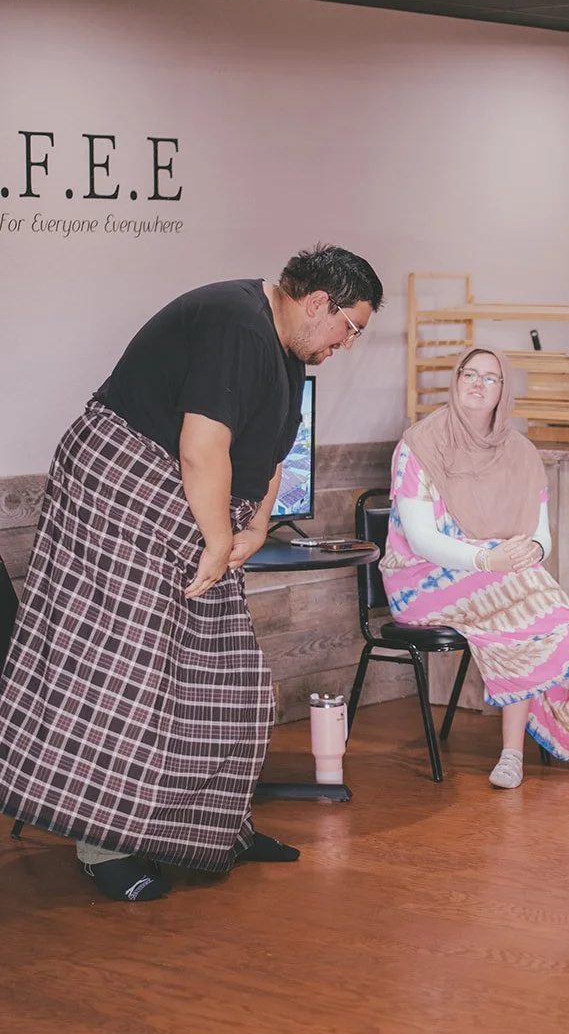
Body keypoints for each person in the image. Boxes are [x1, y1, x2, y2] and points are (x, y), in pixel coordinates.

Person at [0, 244, 383, 902]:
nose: (347, 343)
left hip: (193, 512)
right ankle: (103, 846)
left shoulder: (287, 351)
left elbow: (272, 455)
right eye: (351, 327)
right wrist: (218, 538)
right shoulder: (236, 324)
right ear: (319, 302)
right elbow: (202, 448)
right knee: (124, 674)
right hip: (123, 496)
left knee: (229, 680)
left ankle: (213, 829)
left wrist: (254, 528)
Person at [381, 348, 569, 788]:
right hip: (418, 582)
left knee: (514, 616)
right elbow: (420, 539)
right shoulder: (420, 444)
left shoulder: (519, 452)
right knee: (513, 588)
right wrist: (487, 559)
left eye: (490, 378)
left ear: (503, 391)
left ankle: (512, 758)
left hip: (493, 580)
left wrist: (529, 550)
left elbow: (540, 537)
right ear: (456, 380)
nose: (478, 384)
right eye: (469, 374)